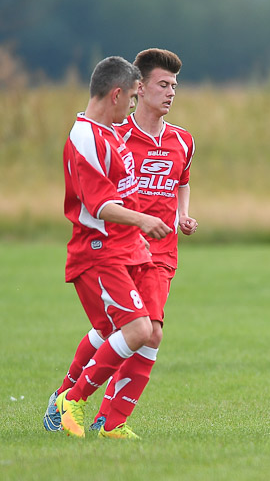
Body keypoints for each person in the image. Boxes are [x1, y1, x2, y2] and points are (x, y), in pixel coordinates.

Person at [43, 49, 197, 438]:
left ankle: (109, 420)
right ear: (136, 89)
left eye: (175, 86)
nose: (171, 92)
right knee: (123, 329)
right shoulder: (111, 133)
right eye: (163, 84)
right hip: (111, 246)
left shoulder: (180, 140)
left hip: (154, 251)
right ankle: (70, 397)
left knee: (145, 330)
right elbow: (99, 201)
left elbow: (181, 180)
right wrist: (142, 220)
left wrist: (180, 215)